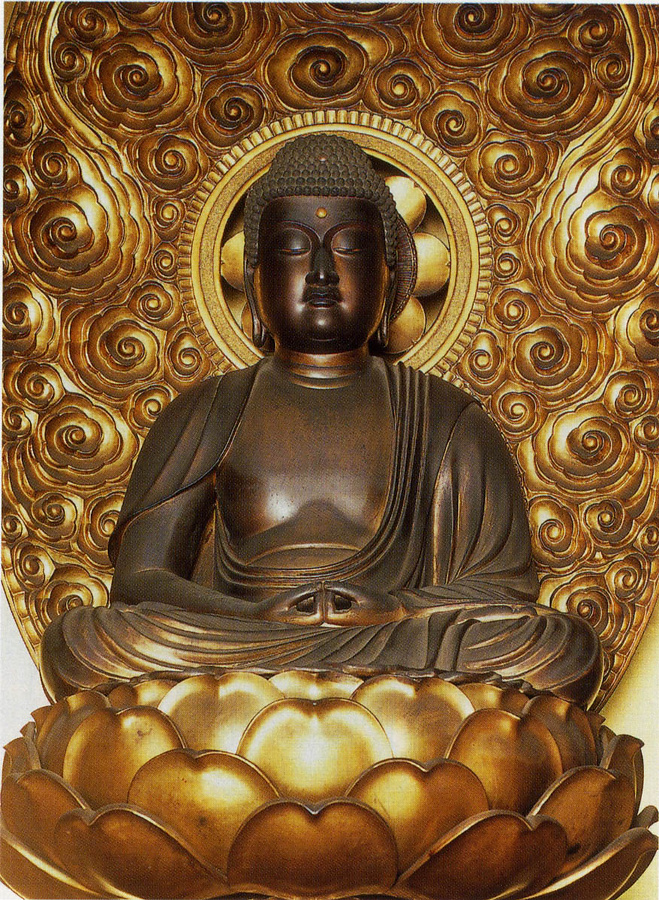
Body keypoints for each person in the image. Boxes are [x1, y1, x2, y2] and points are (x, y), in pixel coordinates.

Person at [40, 135, 603, 706]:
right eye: (292, 248)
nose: (321, 272)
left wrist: (396, 608)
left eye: (350, 249)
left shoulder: (446, 417)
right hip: (247, 638)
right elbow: (139, 582)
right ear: (255, 280)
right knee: (82, 639)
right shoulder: (207, 408)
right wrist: (256, 615)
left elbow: (501, 590)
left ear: (391, 277)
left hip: (390, 642)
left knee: (561, 645)